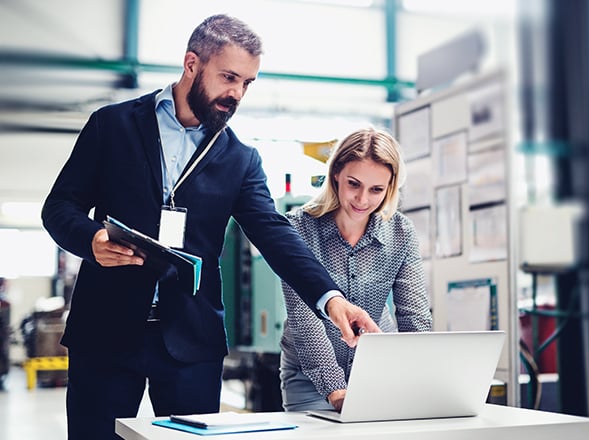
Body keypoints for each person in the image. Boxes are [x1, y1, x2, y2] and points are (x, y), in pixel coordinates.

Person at [41, 14, 379, 440]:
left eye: (247, 83)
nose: (236, 93)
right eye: (229, 77)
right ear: (191, 64)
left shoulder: (240, 158)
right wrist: (90, 241)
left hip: (190, 339)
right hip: (106, 330)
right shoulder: (112, 126)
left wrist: (331, 300)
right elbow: (59, 208)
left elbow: (276, 236)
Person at [279, 127, 433, 412]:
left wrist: (420, 379)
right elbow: (305, 322)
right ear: (336, 173)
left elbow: (414, 315)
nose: (362, 200)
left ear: (391, 187)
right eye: (354, 184)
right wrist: (338, 394)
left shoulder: (401, 233)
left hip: (378, 371)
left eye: (376, 189)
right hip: (310, 376)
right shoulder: (298, 228)